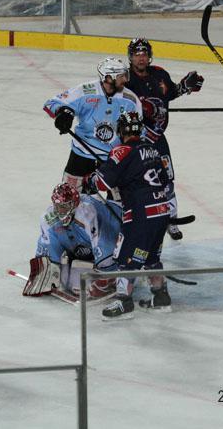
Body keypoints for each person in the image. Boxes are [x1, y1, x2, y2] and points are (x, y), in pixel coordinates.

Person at [89, 111, 173, 321]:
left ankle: (124, 302)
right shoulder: (153, 149)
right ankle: (161, 297)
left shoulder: (122, 150)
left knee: (125, 258)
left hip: (140, 213)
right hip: (162, 210)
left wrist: (92, 178)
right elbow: (165, 181)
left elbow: (102, 183)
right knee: (151, 257)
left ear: (121, 131)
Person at [125, 37, 204, 240]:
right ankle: (130, 218)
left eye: (144, 54)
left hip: (158, 139)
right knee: (133, 181)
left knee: (167, 179)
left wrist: (185, 86)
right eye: (137, 54)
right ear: (130, 57)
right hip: (134, 141)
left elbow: (170, 93)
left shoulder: (159, 74)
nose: (141, 58)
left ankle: (171, 219)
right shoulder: (125, 80)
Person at [43, 57, 142, 192]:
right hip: (81, 155)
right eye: (121, 76)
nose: (125, 80)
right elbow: (52, 103)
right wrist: (63, 112)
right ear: (108, 78)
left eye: (125, 75)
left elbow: (139, 132)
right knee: (68, 196)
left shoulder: (130, 100)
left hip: (114, 159)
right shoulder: (85, 91)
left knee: (120, 202)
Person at [22, 183, 120, 299]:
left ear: (75, 203)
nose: (61, 211)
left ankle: (115, 276)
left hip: (116, 236)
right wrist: (44, 269)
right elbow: (47, 242)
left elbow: (104, 242)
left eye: (65, 206)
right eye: (58, 206)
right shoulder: (49, 217)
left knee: (86, 285)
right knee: (70, 284)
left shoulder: (88, 212)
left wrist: (107, 274)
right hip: (84, 250)